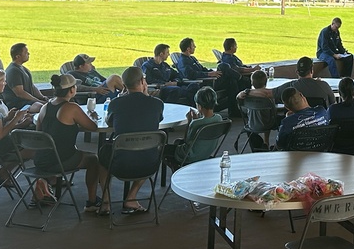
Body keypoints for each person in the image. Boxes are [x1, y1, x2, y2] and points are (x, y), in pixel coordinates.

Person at [34, 74, 105, 213]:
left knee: (76, 152)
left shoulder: (45, 107)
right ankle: (92, 201)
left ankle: (44, 183)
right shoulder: (71, 107)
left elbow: (39, 135)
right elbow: (93, 127)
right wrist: (93, 117)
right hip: (60, 160)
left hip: (41, 160)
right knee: (94, 159)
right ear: (72, 90)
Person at [99, 66, 164, 214]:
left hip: (120, 162)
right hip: (149, 163)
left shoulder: (116, 103)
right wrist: (147, 96)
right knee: (148, 148)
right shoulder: (157, 103)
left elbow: (111, 123)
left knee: (102, 157)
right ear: (142, 81)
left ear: (124, 85)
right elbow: (157, 119)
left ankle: (106, 201)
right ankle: (132, 197)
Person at [164, 86, 225, 166]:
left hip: (189, 157)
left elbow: (187, 140)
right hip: (206, 153)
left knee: (163, 148)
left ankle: (175, 170)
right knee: (177, 142)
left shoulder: (196, 124)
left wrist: (190, 121)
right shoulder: (219, 119)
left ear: (199, 106)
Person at [1, 43, 45, 114]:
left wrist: (42, 97)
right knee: (40, 107)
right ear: (18, 56)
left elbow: (32, 86)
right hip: (18, 104)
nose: (28, 53)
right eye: (25, 52)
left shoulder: (24, 69)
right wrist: (38, 101)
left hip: (28, 101)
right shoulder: (13, 71)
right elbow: (20, 93)